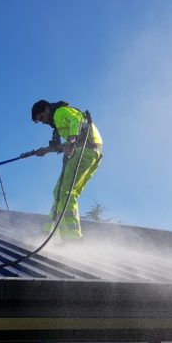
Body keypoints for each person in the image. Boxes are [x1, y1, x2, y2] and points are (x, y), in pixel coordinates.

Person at [31, 99, 103, 241]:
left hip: (83, 151)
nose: (44, 122)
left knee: (65, 193)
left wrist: (71, 141)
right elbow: (62, 144)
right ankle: (48, 232)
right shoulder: (58, 122)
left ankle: (73, 238)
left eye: (42, 117)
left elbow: (75, 121)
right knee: (60, 191)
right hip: (93, 153)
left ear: (46, 108)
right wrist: (46, 150)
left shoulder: (59, 112)